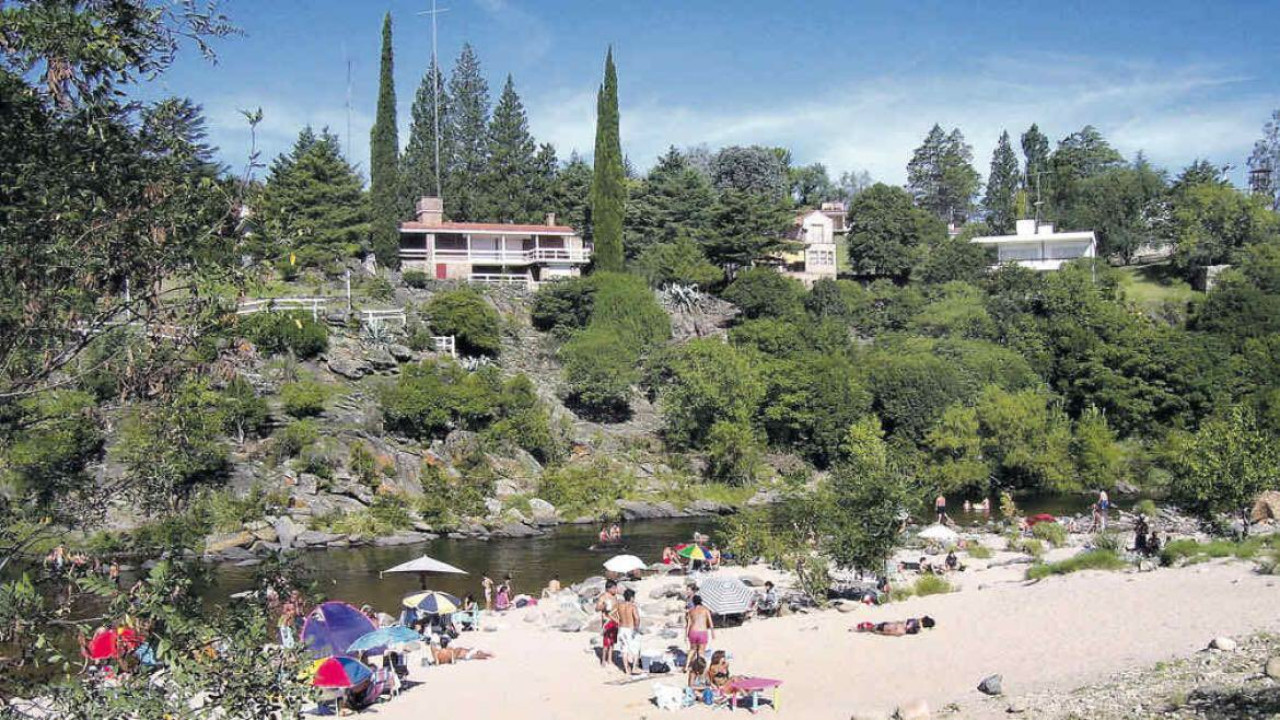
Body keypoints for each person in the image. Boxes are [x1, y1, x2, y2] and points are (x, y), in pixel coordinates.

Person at [612, 588, 642, 675]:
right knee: (635, 649)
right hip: (630, 628)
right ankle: (634, 667)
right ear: (631, 597)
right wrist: (636, 627)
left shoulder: (619, 605)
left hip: (622, 629)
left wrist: (618, 621)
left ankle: (626, 669)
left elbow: (611, 614)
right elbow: (637, 618)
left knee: (624, 649)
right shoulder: (632, 606)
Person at [596, 579, 619, 667]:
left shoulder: (615, 597)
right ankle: (603, 659)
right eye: (614, 588)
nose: (615, 589)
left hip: (615, 620)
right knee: (606, 641)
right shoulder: (603, 597)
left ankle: (610, 658)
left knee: (613, 641)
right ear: (609, 588)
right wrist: (604, 606)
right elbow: (597, 608)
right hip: (607, 621)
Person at [685, 594, 714, 662]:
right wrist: (713, 633)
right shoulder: (705, 610)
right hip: (702, 632)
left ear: (694, 602)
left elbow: (688, 624)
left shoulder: (691, 611)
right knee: (701, 651)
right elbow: (710, 622)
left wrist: (686, 635)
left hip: (693, 632)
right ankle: (701, 667)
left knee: (692, 649)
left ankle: (686, 666)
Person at [854, 616, 936, 636]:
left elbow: (908, 625)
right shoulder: (917, 631)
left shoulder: (915, 621)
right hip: (897, 632)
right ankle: (859, 630)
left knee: (874, 627)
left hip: (894, 627)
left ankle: (856, 629)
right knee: (874, 629)